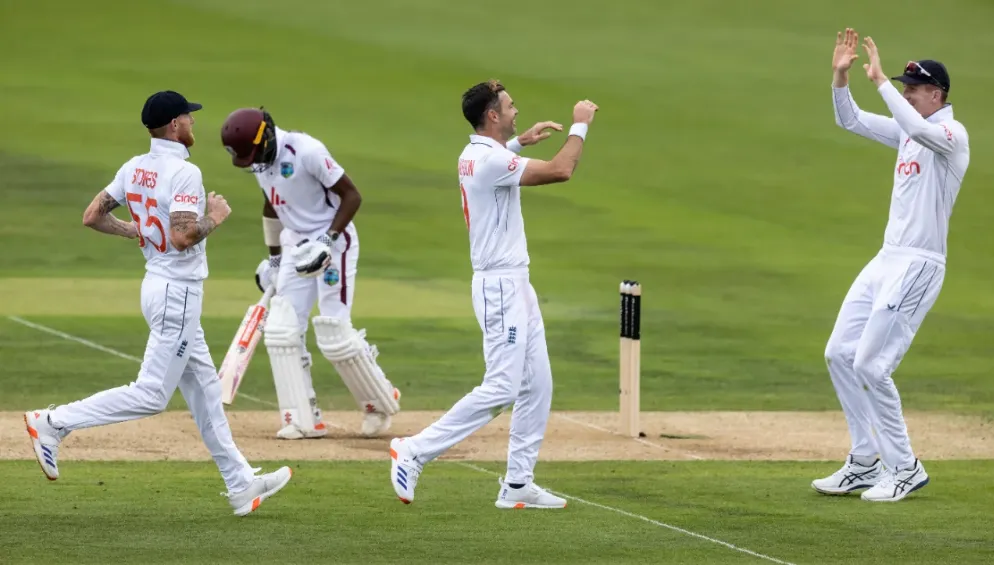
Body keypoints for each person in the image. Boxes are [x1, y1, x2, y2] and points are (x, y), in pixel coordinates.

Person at [23, 91, 292, 516]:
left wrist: (134, 231)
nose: (193, 123)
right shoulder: (185, 174)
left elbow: (93, 215)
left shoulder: (135, 167)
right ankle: (53, 423)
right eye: (188, 117)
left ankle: (241, 484)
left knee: (205, 391)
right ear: (173, 126)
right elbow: (184, 236)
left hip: (158, 286)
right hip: (177, 292)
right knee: (151, 394)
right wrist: (215, 218)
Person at [389, 79, 598, 509]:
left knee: (537, 383)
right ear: (492, 116)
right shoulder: (487, 161)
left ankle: (518, 484)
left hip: (515, 281)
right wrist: (580, 126)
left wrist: (520, 142)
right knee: (503, 386)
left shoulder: (475, 154)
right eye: (510, 106)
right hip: (500, 285)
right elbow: (561, 170)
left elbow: (499, 162)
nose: (516, 110)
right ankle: (414, 450)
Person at [812, 29, 970, 502]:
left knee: (873, 365)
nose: (904, 93)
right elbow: (852, 121)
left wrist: (879, 80)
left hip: (920, 264)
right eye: (901, 86)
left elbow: (920, 129)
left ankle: (904, 467)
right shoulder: (908, 128)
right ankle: (864, 461)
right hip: (887, 258)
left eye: (912, 88)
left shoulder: (949, 134)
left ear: (936, 95)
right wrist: (841, 78)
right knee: (839, 353)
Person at [219, 107, 400, 440]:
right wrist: (274, 260)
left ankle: (378, 402)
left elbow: (352, 195)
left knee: (333, 332)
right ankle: (303, 419)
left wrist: (327, 241)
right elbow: (271, 205)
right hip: (294, 247)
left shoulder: (307, 151)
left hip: (334, 243)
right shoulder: (261, 161)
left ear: (267, 135)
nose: (253, 163)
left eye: (253, 154)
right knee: (282, 329)